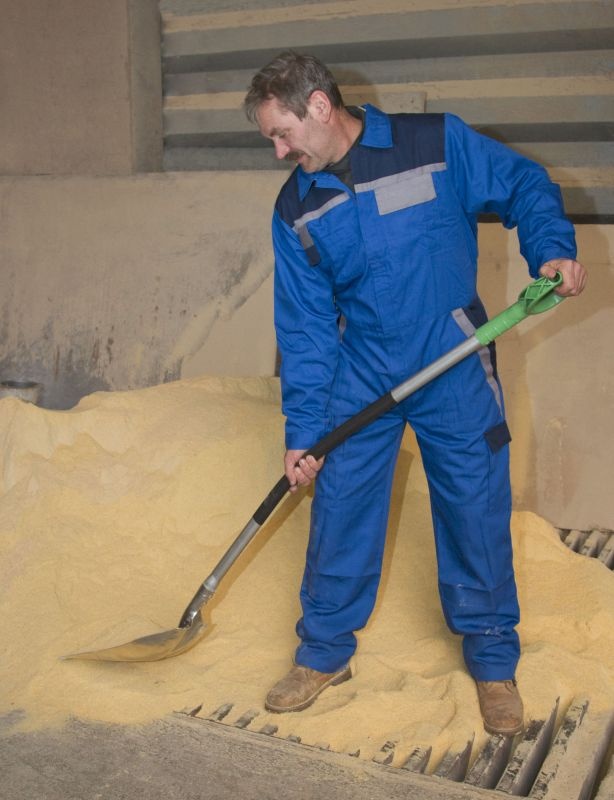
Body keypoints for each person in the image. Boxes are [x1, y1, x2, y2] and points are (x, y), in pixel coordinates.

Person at [243, 51, 587, 736]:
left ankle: (492, 661)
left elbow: (523, 182)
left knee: (473, 505)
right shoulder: (295, 209)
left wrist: (551, 247)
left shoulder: (433, 143)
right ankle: (323, 653)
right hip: (363, 368)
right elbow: (305, 330)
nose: (279, 151)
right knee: (341, 503)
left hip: (451, 354)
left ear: (319, 106)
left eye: (282, 133)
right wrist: (303, 432)